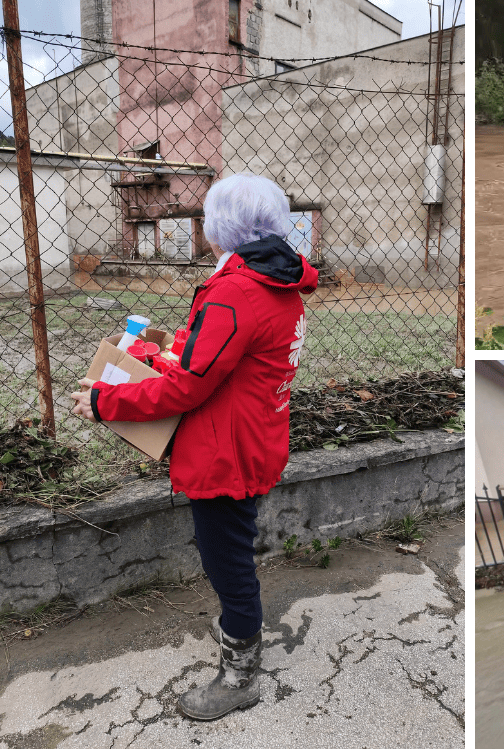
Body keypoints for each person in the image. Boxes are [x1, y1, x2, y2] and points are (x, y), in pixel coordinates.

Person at [71, 173, 319, 720]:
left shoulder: (235, 290)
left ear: (222, 226)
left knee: (225, 559)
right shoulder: (278, 281)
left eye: (208, 217)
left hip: (223, 452)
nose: (205, 228)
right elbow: (217, 361)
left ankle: (241, 668)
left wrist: (106, 402)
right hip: (256, 434)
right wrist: (167, 356)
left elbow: (191, 385)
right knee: (233, 544)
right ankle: (240, 624)